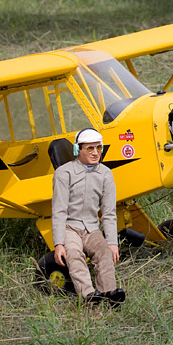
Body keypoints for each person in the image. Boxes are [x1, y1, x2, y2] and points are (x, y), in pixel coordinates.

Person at [51, 128, 126, 304]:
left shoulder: (106, 174)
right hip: (70, 226)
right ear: (78, 150)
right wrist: (59, 243)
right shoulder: (64, 173)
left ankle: (109, 292)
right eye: (90, 148)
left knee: (104, 253)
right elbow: (59, 210)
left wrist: (112, 242)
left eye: (98, 148)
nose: (95, 153)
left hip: (92, 226)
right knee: (74, 254)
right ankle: (88, 295)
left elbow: (108, 212)